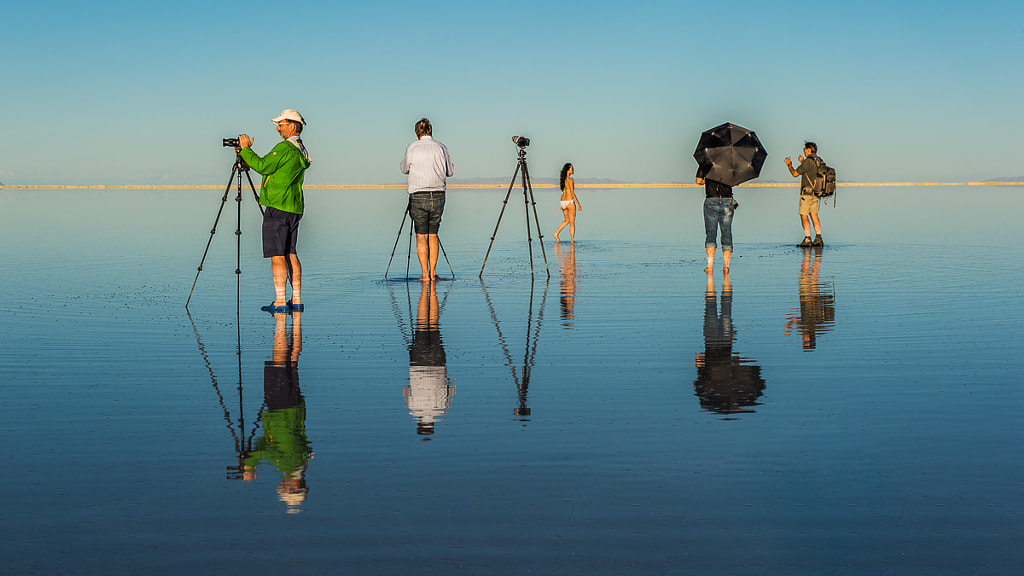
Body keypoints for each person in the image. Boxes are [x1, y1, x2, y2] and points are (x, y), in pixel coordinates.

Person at [238, 109, 312, 313]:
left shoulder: (285, 147)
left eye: (281, 123)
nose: (278, 128)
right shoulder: (301, 149)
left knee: (277, 255)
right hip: (294, 207)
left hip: (278, 207)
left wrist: (245, 150)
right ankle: (296, 300)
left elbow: (262, 166)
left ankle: (280, 302)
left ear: (292, 126)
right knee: (291, 252)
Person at [400, 118, 455, 282]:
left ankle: (424, 275)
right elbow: (450, 172)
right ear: (431, 131)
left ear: (417, 133)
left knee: (421, 236)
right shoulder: (440, 147)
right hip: (438, 194)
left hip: (418, 195)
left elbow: (404, 169)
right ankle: (433, 273)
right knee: (433, 235)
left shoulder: (412, 147)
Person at [785, 141, 824, 248]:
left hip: (806, 194)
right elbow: (810, 171)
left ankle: (807, 239)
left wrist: (789, 165)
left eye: (804, 149)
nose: (803, 151)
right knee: (814, 215)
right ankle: (818, 238)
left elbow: (794, 174)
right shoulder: (818, 160)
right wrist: (803, 162)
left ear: (808, 150)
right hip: (816, 193)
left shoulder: (808, 161)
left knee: (804, 216)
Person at [695, 169, 735, 272]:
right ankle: (726, 266)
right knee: (726, 233)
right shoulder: (731, 164)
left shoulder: (706, 162)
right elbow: (736, 183)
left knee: (711, 234)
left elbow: (698, 181)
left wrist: (707, 181)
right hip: (727, 200)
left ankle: (710, 266)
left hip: (711, 200)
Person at [553, 163, 582, 242]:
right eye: (572, 168)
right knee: (572, 222)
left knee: (567, 220)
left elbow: (563, 192)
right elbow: (572, 193)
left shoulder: (562, 179)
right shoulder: (570, 180)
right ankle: (572, 241)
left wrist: (562, 205)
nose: (573, 170)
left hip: (563, 201)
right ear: (568, 170)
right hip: (569, 202)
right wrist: (578, 204)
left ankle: (556, 233)